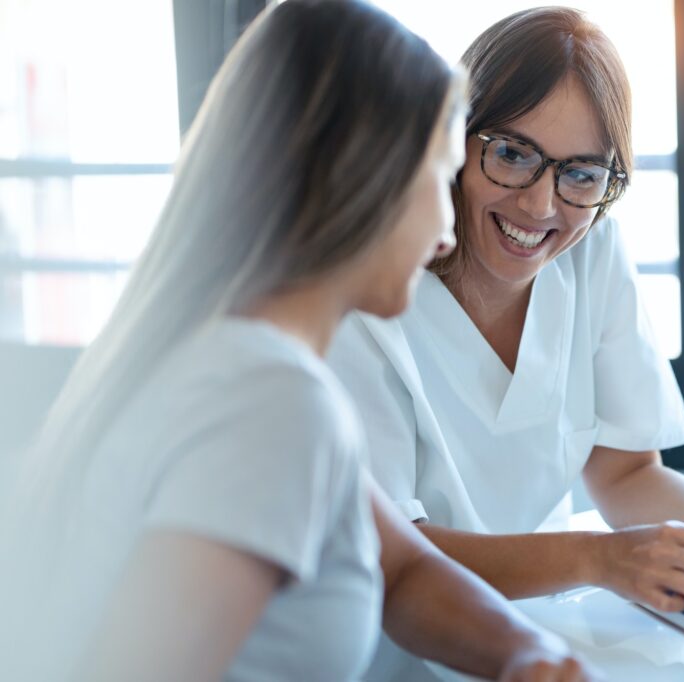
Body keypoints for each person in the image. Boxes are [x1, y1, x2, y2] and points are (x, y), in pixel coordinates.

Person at [0, 2, 594, 680]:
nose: (445, 229)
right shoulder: (272, 402)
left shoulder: (232, 363)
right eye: (439, 176)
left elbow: (402, 569)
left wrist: (532, 655)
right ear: (364, 180)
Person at [329, 7, 684, 675]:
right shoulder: (368, 292)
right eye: (512, 154)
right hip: (405, 651)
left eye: (581, 174)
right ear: (454, 141)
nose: (539, 206)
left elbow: (624, 474)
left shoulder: (592, 249)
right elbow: (393, 558)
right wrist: (597, 558)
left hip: (551, 633)